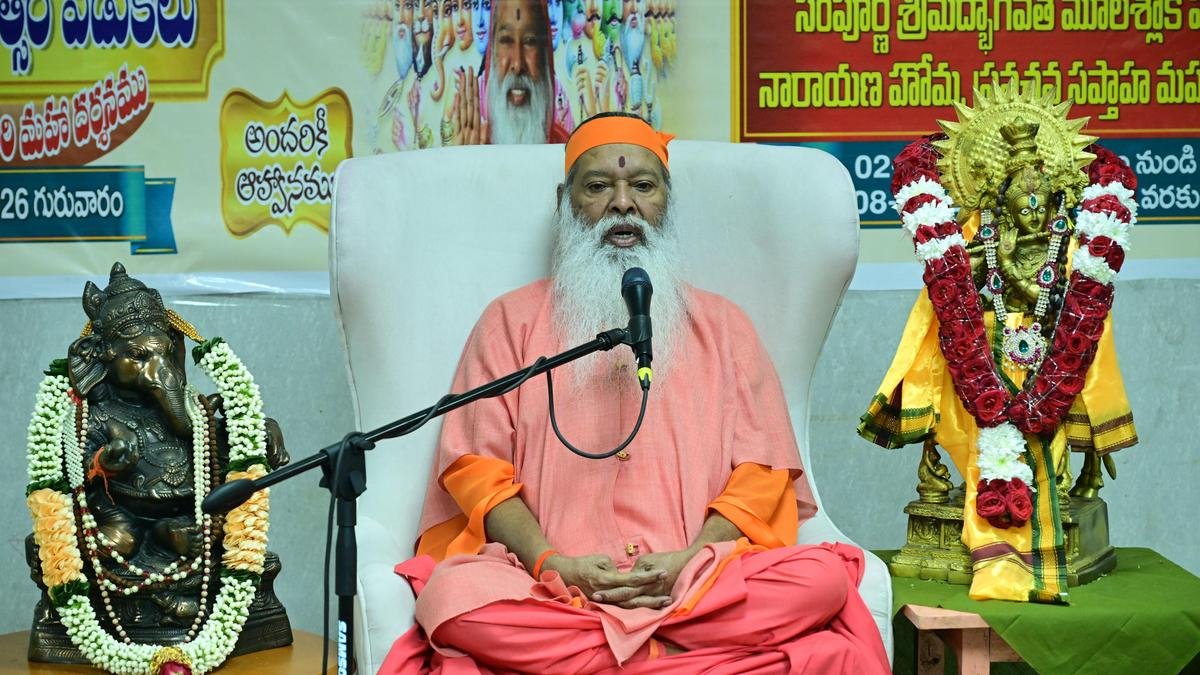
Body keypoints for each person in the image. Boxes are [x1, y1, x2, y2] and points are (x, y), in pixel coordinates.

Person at [381, 113, 890, 673]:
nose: (622, 203)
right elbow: (477, 471)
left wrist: (691, 561)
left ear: (666, 202)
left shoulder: (724, 328)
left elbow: (762, 473)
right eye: (598, 186)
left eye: (642, 186)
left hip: (695, 586)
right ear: (564, 202)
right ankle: (669, 656)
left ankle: (611, 658)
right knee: (454, 599)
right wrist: (553, 564)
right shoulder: (510, 322)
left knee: (820, 579)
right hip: (551, 589)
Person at [447, 0, 570, 145]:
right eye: (506, 40)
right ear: (492, 53)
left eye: (530, 41)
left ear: (545, 55)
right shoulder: (472, 146)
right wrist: (463, 157)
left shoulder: (565, 148)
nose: (518, 65)